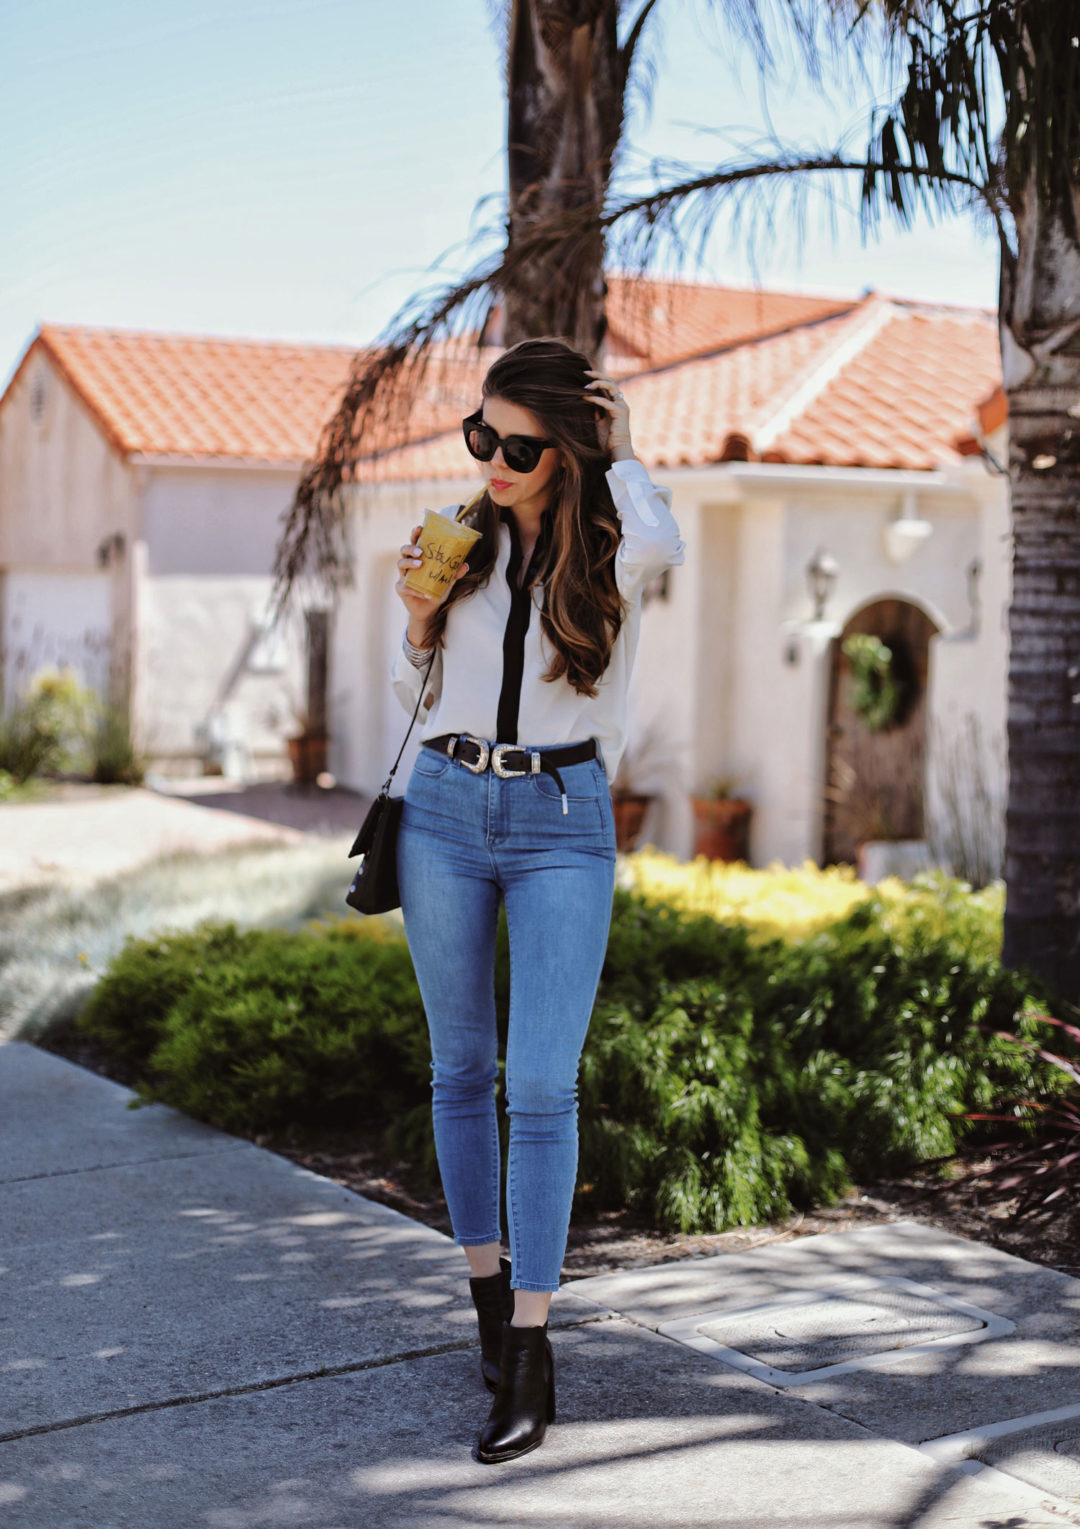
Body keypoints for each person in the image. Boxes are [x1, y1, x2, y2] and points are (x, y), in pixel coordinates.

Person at [391, 336, 684, 1464]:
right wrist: (418, 613)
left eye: (521, 443)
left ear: (565, 448)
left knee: (543, 1085)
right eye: (483, 435)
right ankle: (482, 1293)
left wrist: (614, 450)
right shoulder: (455, 542)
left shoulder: (617, 547)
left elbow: (663, 528)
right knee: (459, 1068)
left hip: (563, 819)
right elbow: (414, 673)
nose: (495, 459)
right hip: (446, 809)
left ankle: (531, 1348)